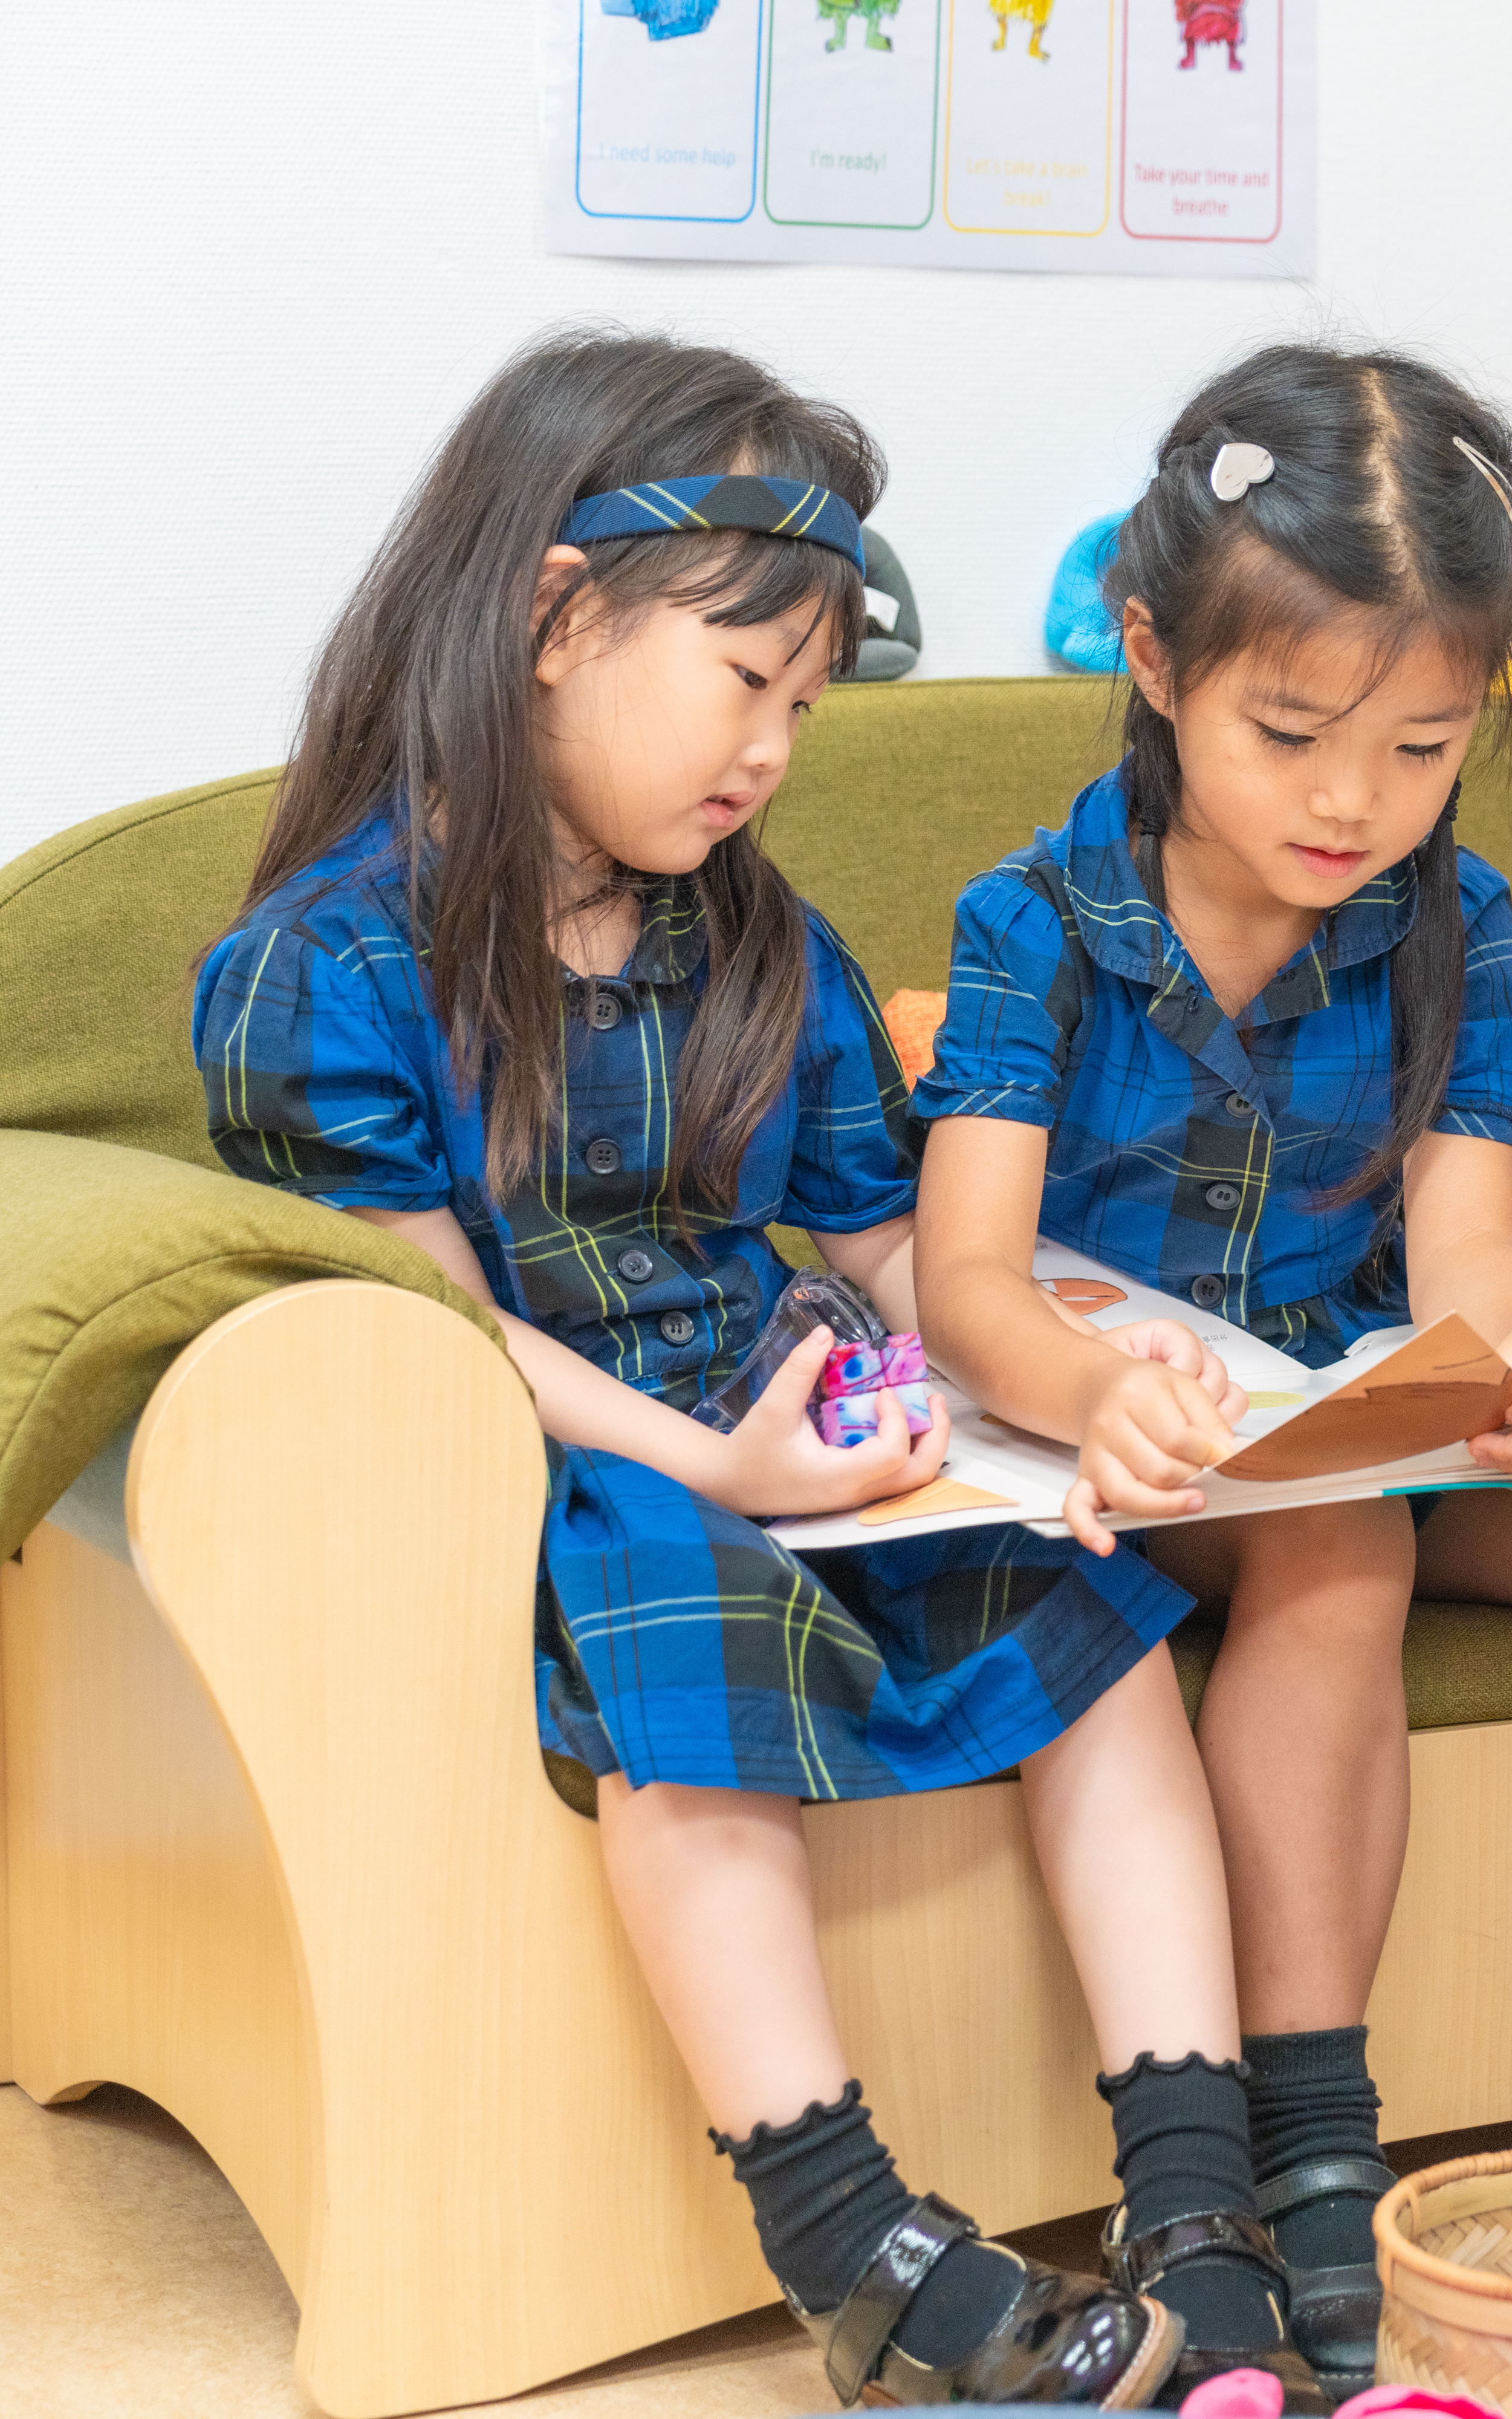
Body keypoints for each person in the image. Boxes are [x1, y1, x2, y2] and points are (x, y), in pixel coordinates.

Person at [190, 333, 1317, 2412]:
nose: (774, 752)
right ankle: (857, 2249)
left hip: (795, 1401)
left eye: (804, 706)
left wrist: (1075, 1341)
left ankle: (1196, 2194)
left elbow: (888, 1238)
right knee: (675, 1626)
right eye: (746, 686)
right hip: (582, 1442)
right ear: (552, 615)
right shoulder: (324, 967)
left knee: (1089, 1616)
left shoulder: (752, 939)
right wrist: (726, 1469)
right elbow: (445, 1325)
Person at [909, 343, 1512, 2395]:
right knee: (1341, 1560)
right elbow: (966, 1277)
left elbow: (1470, 1238)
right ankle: (1315, 2149)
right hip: (1123, 1439)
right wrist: (1091, 1388)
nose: (1353, 803)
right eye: (1295, 731)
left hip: (1339, 1399)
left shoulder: (1449, 921)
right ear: (1156, 660)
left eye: (1422, 747)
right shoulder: (1039, 924)